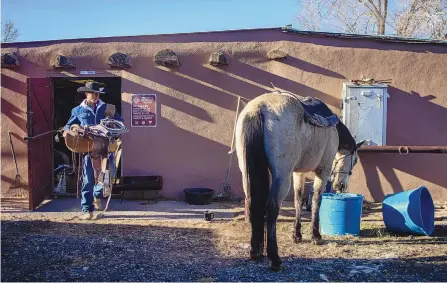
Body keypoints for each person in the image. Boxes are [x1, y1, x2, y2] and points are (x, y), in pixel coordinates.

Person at [63, 81, 123, 220]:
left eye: (98, 94)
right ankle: (87, 210)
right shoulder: (78, 110)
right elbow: (68, 126)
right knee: (88, 180)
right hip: (88, 149)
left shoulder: (109, 108)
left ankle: (97, 194)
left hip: (106, 149)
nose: (96, 96)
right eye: (93, 93)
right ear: (86, 93)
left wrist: (114, 130)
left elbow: (121, 123)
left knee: (108, 179)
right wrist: (74, 128)